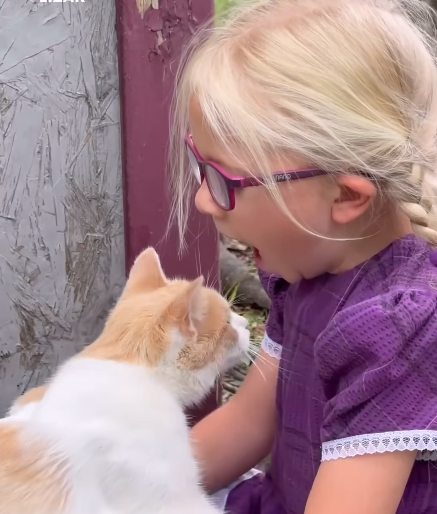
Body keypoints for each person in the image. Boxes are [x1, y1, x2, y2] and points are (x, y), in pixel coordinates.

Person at [169, 0, 437, 513]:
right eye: (197, 163)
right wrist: (126, 489)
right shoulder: (307, 270)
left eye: (222, 179)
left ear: (345, 195)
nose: (203, 200)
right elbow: (249, 422)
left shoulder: (399, 330)